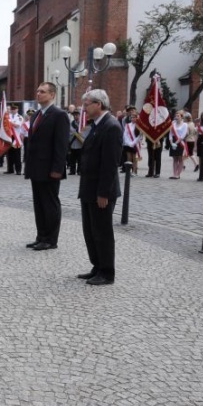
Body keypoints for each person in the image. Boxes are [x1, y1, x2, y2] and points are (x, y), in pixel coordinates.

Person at [77, 89, 122, 286]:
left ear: (99, 104)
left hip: (101, 191)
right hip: (89, 188)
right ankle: (97, 265)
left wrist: (103, 192)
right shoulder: (96, 125)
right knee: (90, 230)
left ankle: (107, 271)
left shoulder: (111, 126)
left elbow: (110, 164)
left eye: (87, 104)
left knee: (102, 231)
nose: (84, 108)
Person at [23, 83, 70, 252]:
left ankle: (51, 239)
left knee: (50, 203)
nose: (38, 94)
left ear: (52, 95)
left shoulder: (59, 115)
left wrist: (58, 168)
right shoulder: (36, 115)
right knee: (39, 203)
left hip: (50, 168)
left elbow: (61, 144)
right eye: (37, 91)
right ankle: (41, 236)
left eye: (42, 92)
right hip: (36, 167)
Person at [168, 110, 188, 179]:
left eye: (178, 116)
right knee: (174, 158)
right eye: (176, 116)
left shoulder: (185, 124)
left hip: (180, 142)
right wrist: (171, 142)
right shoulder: (173, 123)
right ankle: (174, 173)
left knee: (180, 158)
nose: (176, 117)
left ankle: (178, 174)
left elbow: (183, 135)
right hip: (173, 141)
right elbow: (170, 133)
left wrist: (176, 143)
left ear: (181, 117)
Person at [121, 106, 141, 174]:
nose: (132, 118)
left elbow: (139, 136)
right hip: (128, 143)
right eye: (132, 117)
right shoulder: (128, 125)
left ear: (137, 118)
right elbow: (125, 134)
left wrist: (133, 143)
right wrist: (128, 142)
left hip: (135, 144)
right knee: (129, 158)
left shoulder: (139, 126)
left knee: (134, 158)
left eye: (134, 117)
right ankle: (128, 171)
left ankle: (134, 171)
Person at [5, 104, 23, 175]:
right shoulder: (8, 117)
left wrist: (9, 122)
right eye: (12, 109)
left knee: (17, 155)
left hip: (16, 138)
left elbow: (17, 125)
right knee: (9, 154)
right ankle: (10, 169)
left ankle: (18, 170)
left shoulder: (19, 117)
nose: (13, 110)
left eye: (15, 109)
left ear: (17, 110)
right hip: (9, 137)